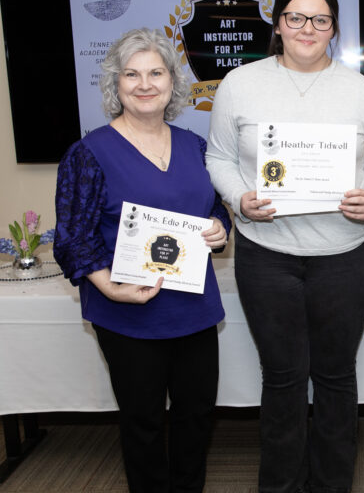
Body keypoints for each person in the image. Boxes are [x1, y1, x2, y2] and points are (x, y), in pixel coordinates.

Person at [205, 0, 364, 493]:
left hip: (344, 256)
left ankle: (333, 485)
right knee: (283, 380)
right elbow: (218, 157)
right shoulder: (241, 83)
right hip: (267, 257)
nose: (308, 28)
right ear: (278, 22)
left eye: (321, 19)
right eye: (296, 17)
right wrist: (238, 197)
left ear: (334, 27)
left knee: (335, 378)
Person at [54, 28, 231, 493]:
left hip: (193, 310)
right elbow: (73, 237)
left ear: (173, 81)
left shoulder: (195, 146)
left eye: (156, 72)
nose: (144, 83)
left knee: (196, 420)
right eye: (131, 74)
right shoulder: (88, 154)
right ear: (116, 84)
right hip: (128, 314)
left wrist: (220, 229)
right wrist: (108, 285)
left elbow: (214, 209)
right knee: (144, 424)